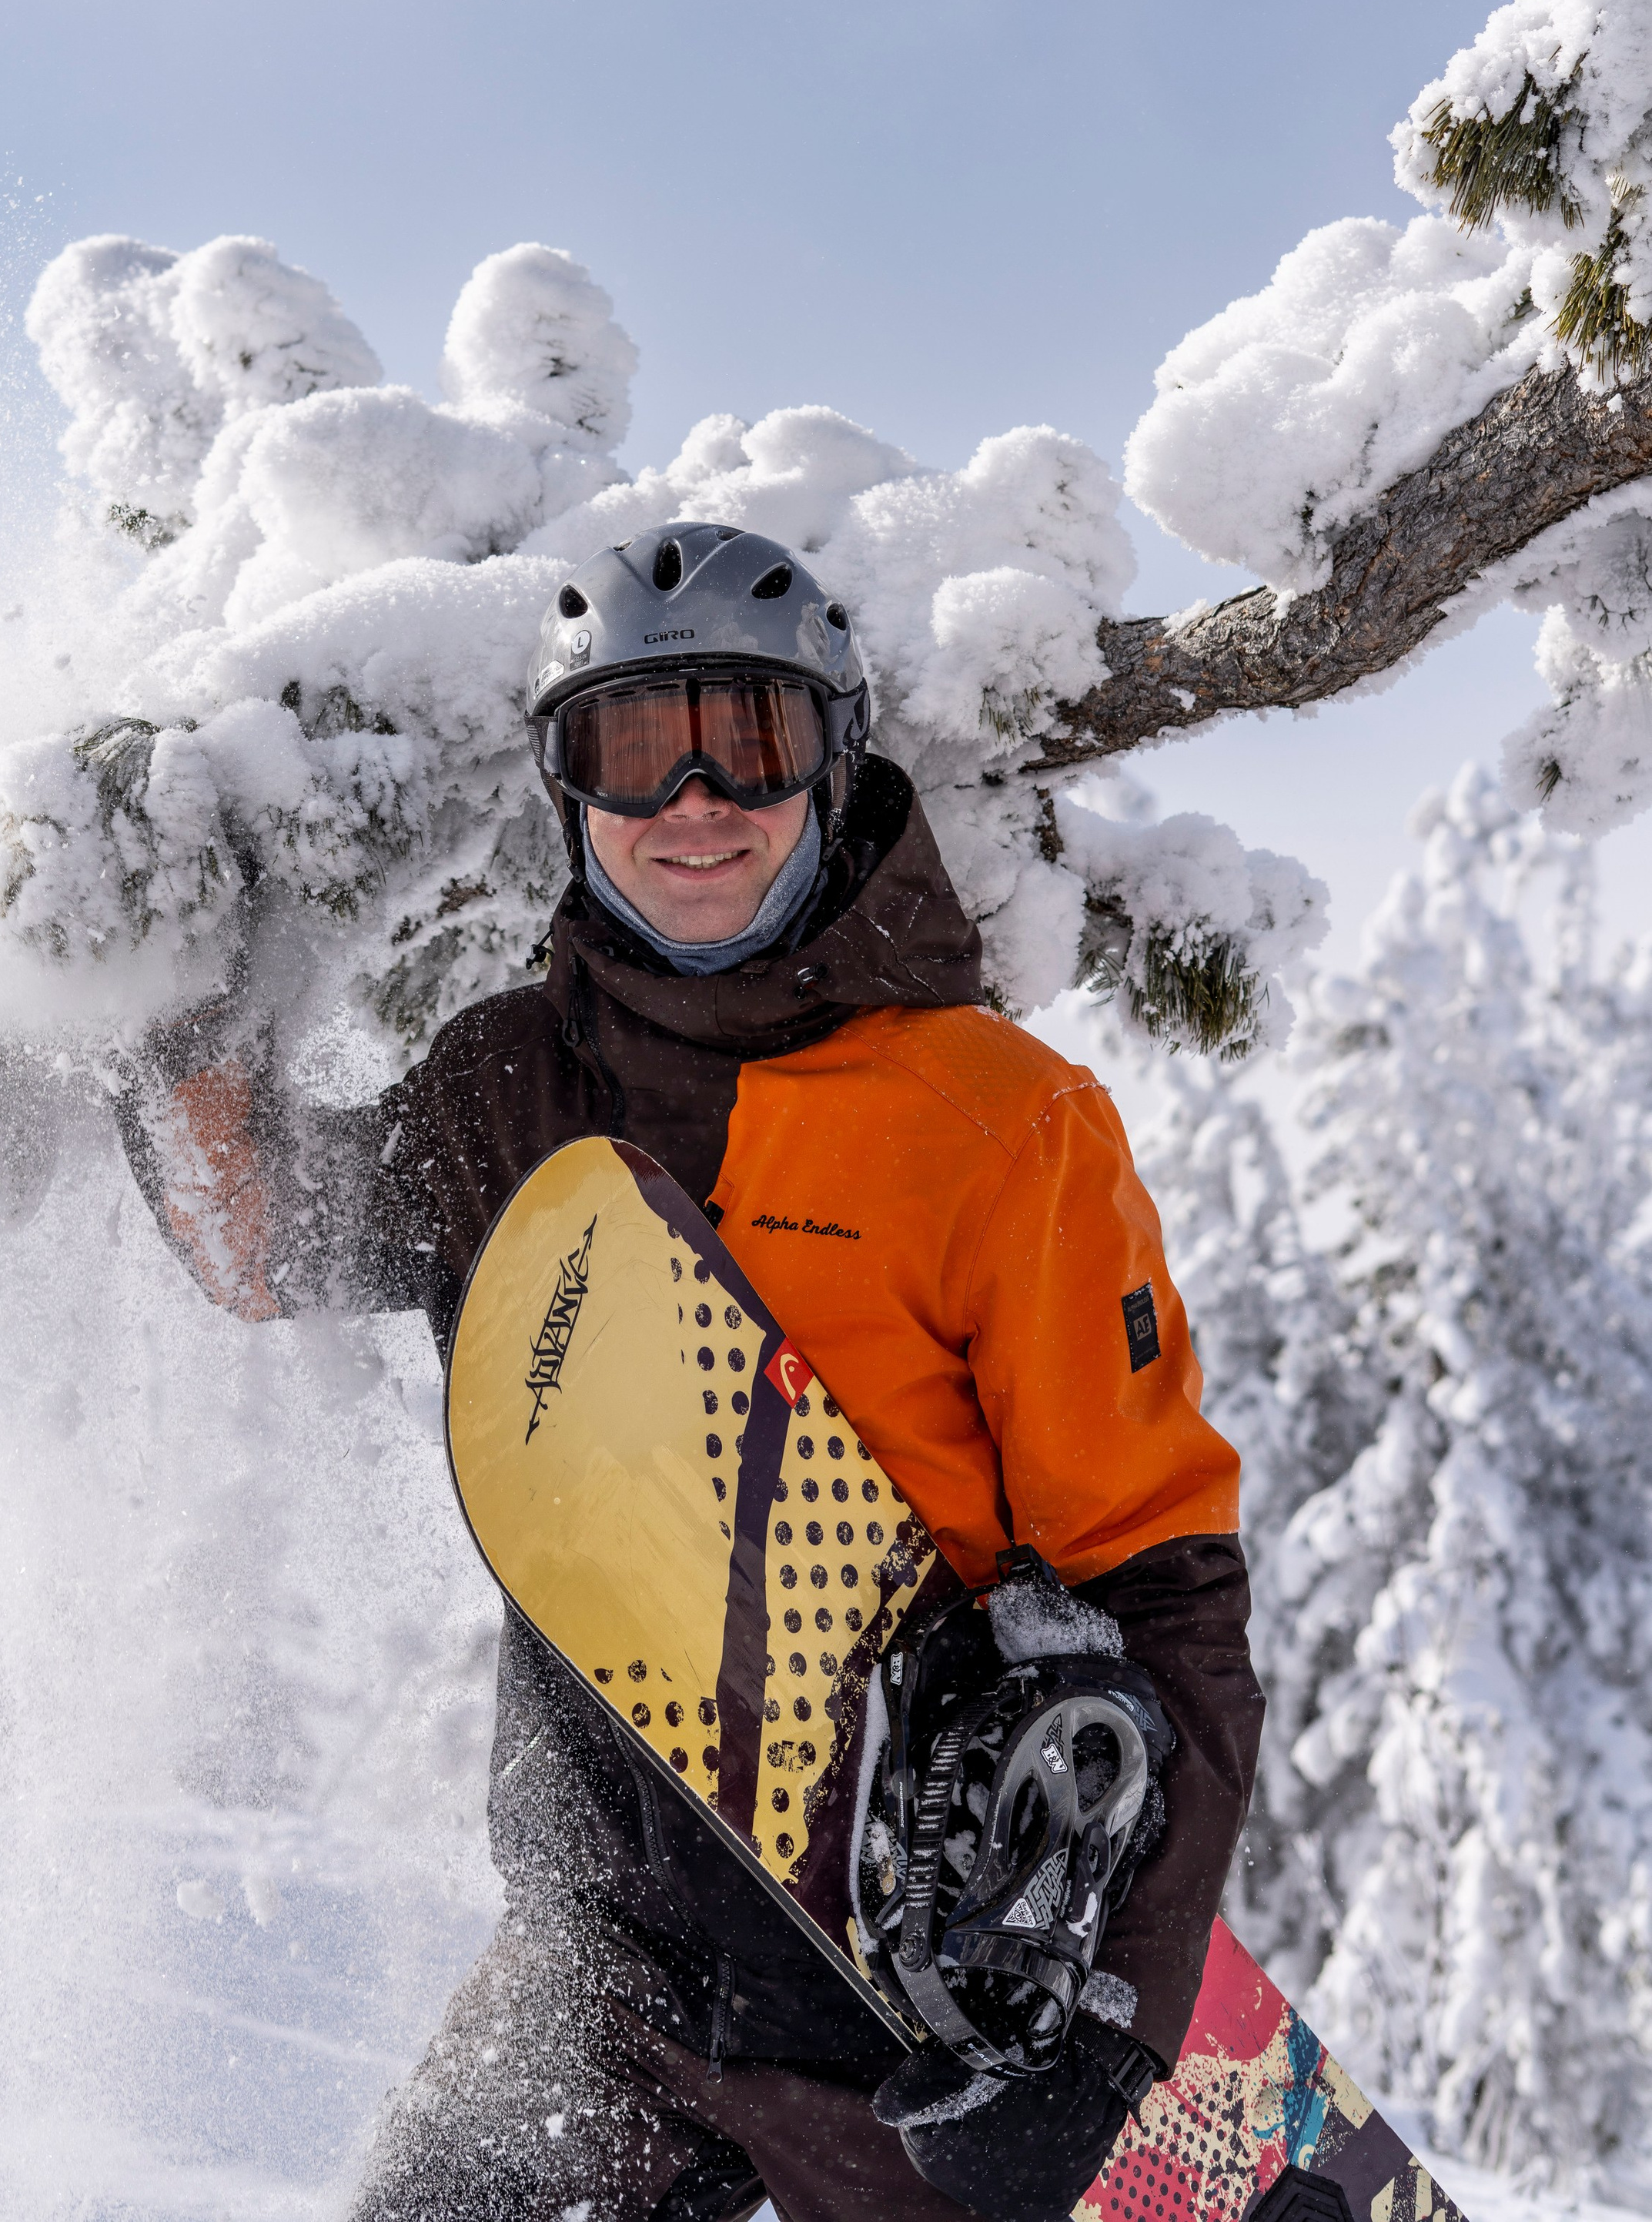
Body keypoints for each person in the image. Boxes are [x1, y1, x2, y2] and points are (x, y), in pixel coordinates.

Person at [117, 520, 1265, 2222]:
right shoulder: (505, 1089)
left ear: (835, 758)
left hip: (905, 2003)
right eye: (631, 748)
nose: (695, 802)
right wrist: (159, 977)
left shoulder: (992, 1119)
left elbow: (1163, 1592)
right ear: (566, 791)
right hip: (601, 1972)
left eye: (755, 738)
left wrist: (1104, 2036)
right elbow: (265, 1243)